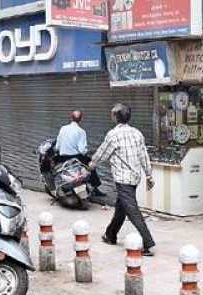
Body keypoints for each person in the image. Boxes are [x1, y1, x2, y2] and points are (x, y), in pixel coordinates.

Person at [88, 103, 156, 255]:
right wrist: (149, 175)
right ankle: (110, 235)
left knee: (132, 211)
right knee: (121, 207)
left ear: (116, 117)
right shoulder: (137, 133)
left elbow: (102, 153)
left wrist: (91, 166)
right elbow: (144, 155)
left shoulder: (113, 135)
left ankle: (148, 243)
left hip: (123, 179)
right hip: (134, 178)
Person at [56, 110, 103, 194]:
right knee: (91, 165)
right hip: (75, 158)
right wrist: (87, 152)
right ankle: (95, 187)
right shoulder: (81, 131)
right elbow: (82, 150)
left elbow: (57, 146)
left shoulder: (63, 128)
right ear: (81, 119)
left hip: (62, 158)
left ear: (71, 117)